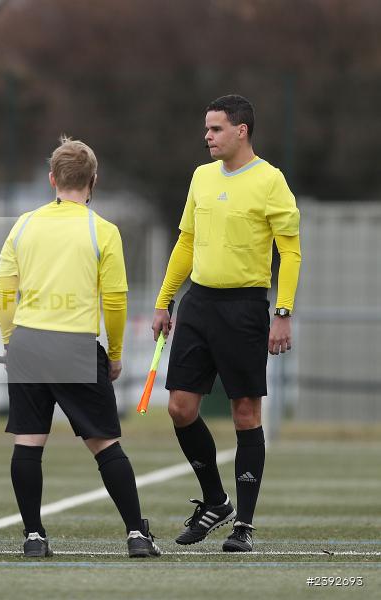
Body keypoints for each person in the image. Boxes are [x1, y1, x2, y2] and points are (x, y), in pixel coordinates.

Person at [0, 136, 161, 559]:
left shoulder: (24, 224)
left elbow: (4, 293)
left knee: (29, 444)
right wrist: (118, 351)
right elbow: (116, 300)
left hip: (29, 343)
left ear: (52, 178)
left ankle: (33, 536)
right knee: (105, 444)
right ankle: (136, 535)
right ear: (94, 181)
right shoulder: (102, 230)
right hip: (76, 348)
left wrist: (11, 342)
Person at [152, 94, 301, 553]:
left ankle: (245, 527)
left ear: (242, 131)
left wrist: (282, 312)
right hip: (198, 306)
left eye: (216, 129)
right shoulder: (200, 177)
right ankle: (216, 501)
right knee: (180, 408)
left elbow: (290, 251)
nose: (208, 136)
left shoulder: (271, 181)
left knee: (244, 413)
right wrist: (164, 301)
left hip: (245, 309)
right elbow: (185, 243)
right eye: (206, 129)